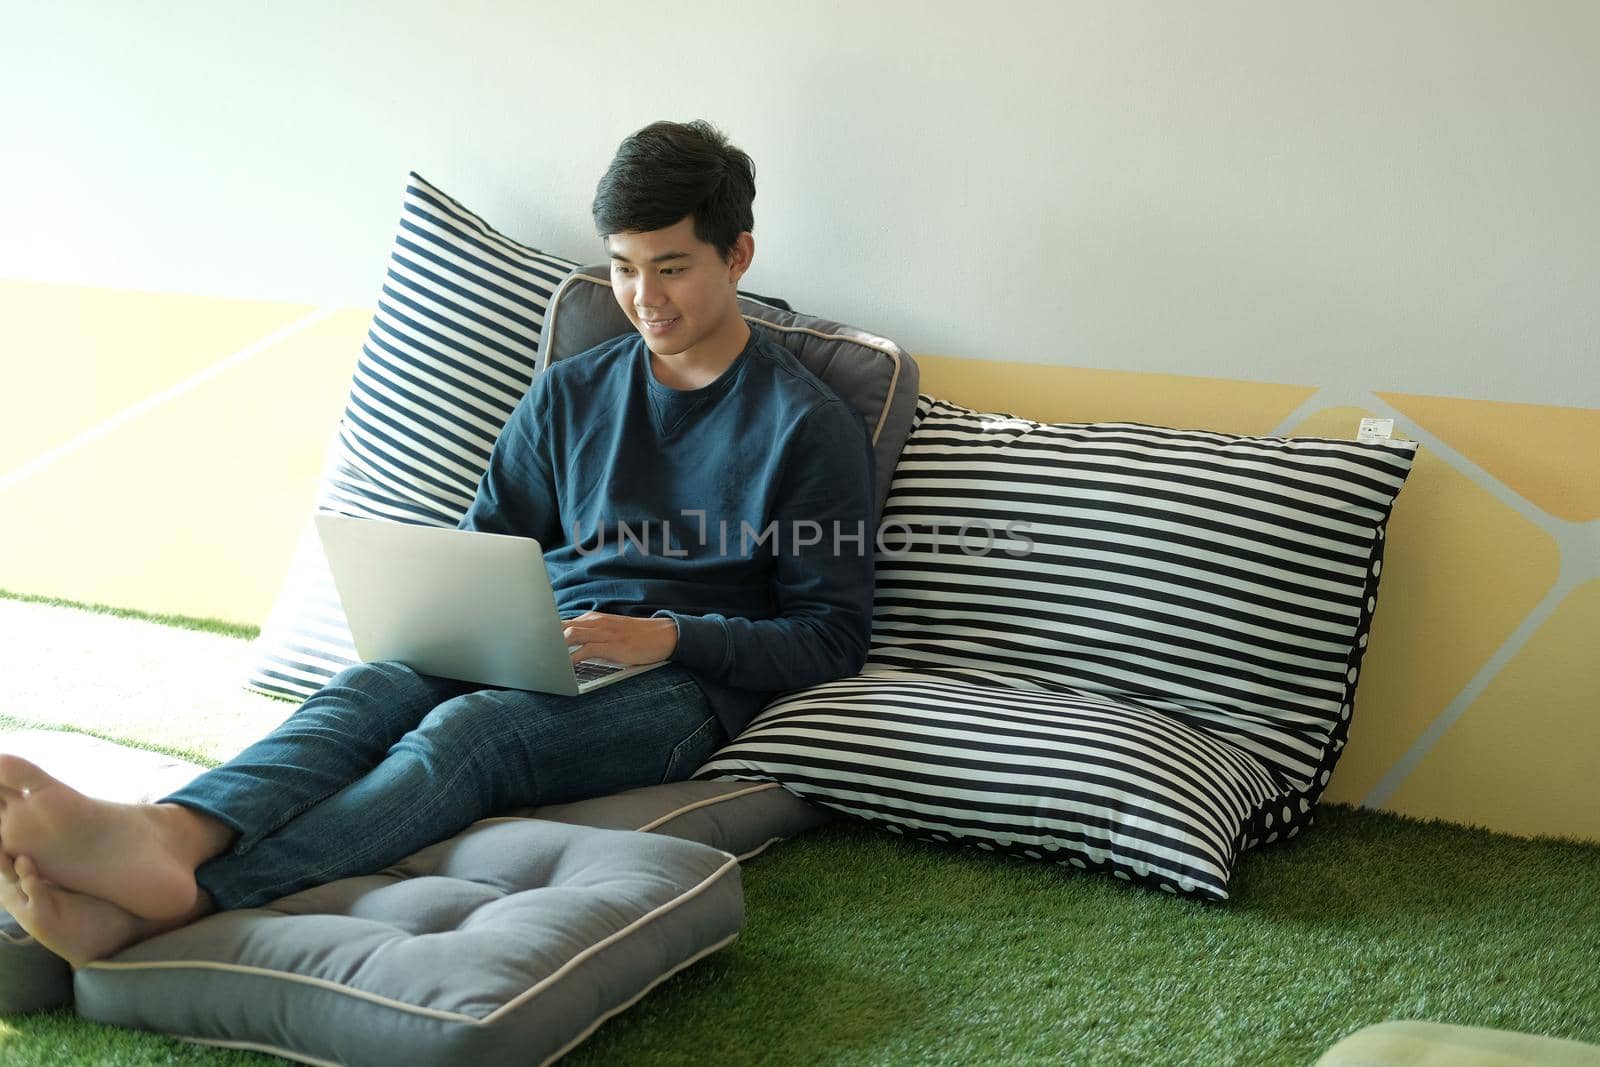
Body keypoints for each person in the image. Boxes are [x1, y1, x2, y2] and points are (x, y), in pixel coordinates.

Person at [0, 119, 877, 969]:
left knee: (472, 733)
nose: (645, 298)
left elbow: (832, 638)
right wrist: (468, 620)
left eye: (672, 268)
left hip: (683, 685)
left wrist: (671, 636)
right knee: (371, 689)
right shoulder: (568, 394)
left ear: (738, 256)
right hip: (546, 642)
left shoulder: (807, 425)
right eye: (622, 267)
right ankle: (167, 831)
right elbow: (487, 549)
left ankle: (202, 898)